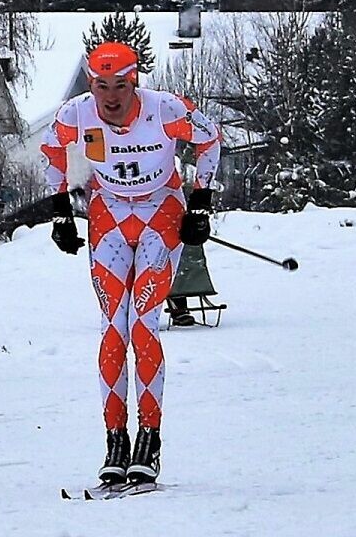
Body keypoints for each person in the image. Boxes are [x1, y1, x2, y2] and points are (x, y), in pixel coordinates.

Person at [40, 41, 221, 485]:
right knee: (113, 328)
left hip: (161, 211)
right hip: (110, 215)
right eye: (101, 85)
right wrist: (60, 209)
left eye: (119, 85)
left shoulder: (164, 109)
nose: (111, 96)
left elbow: (211, 138)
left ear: (134, 80)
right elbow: (51, 152)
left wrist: (200, 201)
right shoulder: (76, 114)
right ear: (91, 83)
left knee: (142, 323)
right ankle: (115, 441)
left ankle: (150, 440)